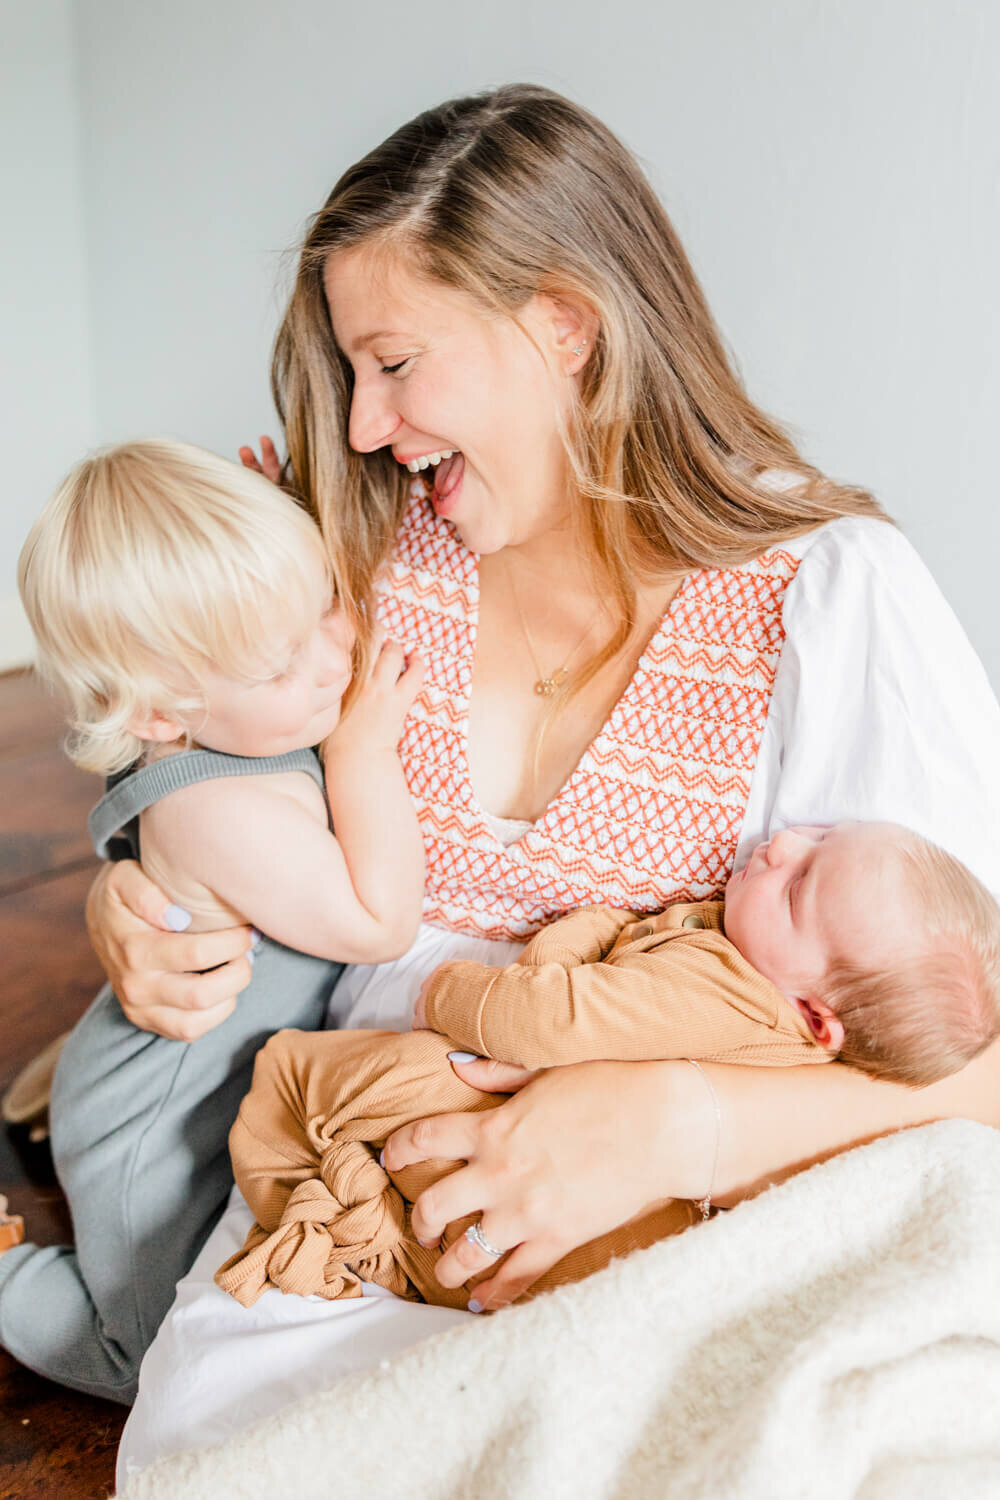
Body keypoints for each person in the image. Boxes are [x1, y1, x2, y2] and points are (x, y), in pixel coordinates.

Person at [71, 85, 999, 1474]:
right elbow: (181, 746)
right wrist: (130, 895)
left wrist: (672, 1128)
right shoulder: (362, 571)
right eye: (352, 377)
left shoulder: (831, 600)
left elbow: (973, 1057)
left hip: (691, 1218)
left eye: (395, 364)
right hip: (364, 1203)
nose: (370, 428)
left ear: (565, 326)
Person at [0, 439, 424, 1400]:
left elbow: (263, 626)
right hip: (148, 1123)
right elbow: (378, 923)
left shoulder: (225, 709)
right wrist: (363, 754)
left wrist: (276, 513)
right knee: (150, 1355)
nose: (336, 654)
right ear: (157, 712)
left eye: (323, 602)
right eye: (283, 664)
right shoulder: (214, 811)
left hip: (206, 1082)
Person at [213, 819, 1000, 1312]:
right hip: (593, 1208)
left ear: (815, 1017)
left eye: (798, 888)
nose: (784, 842)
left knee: (290, 1073)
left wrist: (449, 993)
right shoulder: (770, 996)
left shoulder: (719, 990)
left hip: (538, 1157)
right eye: (822, 838)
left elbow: (551, 1020)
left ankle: (349, 1228)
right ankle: (372, 1230)